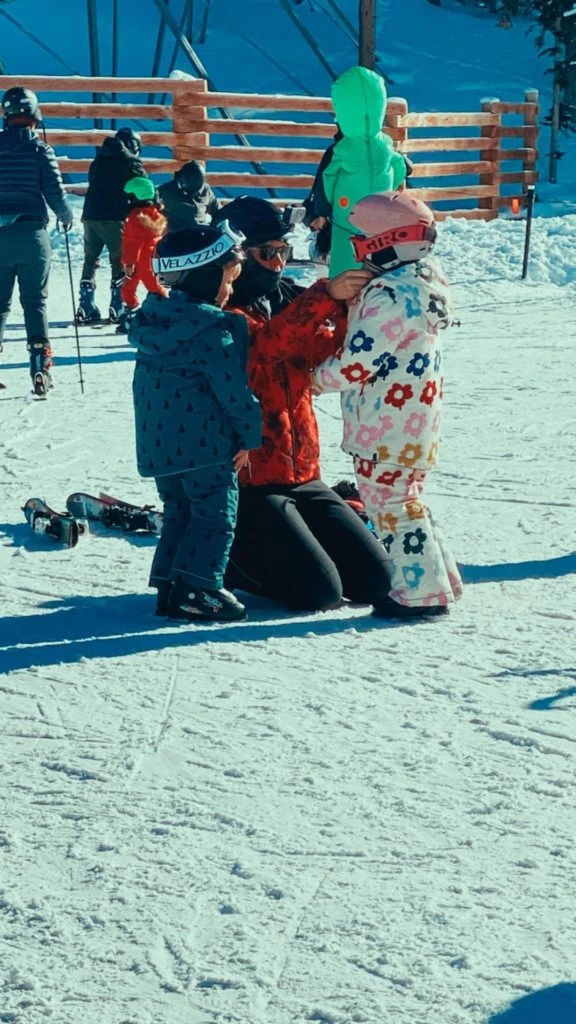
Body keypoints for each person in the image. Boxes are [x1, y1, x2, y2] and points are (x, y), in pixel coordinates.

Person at [212, 195, 394, 614]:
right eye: (266, 253)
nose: (277, 263)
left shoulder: (283, 299)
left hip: (304, 474)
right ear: (237, 257)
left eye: (283, 252)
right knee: (319, 593)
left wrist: (351, 308)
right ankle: (233, 561)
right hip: (254, 484)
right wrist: (323, 295)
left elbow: (328, 351)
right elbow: (266, 349)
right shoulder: (222, 315)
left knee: (376, 581)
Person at [313, 191, 463, 618]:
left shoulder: (389, 296)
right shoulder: (423, 282)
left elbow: (358, 362)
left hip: (385, 422)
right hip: (416, 420)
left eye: (363, 239)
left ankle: (419, 595)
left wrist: (313, 379)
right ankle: (440, 579)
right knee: (408, 500)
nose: (359, 249)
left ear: (388, 241)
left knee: (391, 507)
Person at [128, 221, 262, 623]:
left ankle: (170, 584)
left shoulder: (156, 322)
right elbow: (233, 392)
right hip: (205, 445)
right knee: (215, 518)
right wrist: (250, 436)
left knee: (180, 512)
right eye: (227, 279)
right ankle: (199, 588)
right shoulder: (212, 329)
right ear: (203, 275)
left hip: (161, 445)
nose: (230, 291)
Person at [0, 86, 74, 397]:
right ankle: (39, 366)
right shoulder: (40, 150)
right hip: (32, 235)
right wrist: (67, 216)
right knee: (34, 302)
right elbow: (55, 193)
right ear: (34, 115)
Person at [304, 66, 407, 278]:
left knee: (345, 261)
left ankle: (343, 299)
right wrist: (388, 188)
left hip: (346, 220)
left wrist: (322, 209)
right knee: (381, 262)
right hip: (382, 220)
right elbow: (399, 169)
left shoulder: (341, 149)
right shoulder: (385, 144)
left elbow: (327, 180)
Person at [77, 127, 146, 323]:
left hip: (90, 216)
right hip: (115, 217)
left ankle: (86, 304)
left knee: (91, 258)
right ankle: (119, 304)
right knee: (120, 260)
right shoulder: (131, 162)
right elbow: (143, 190)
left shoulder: (99, 160)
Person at [116, 176, 168, 334]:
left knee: (128, 289)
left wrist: (130, 263)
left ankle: (133, 312)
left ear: (136, 197)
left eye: (129, 196)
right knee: (154, 287)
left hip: (139, 263)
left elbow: (133, 242)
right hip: (151, 260)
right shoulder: (154, 215)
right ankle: (164, 309)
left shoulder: (136, 217)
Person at [158, 160, 221, 231]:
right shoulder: (166, 191)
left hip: (201, 233)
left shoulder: (205, 190)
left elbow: (219, 212)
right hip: (177, 235)